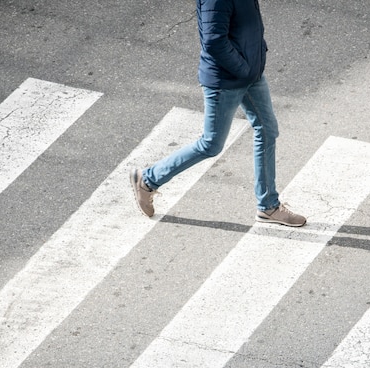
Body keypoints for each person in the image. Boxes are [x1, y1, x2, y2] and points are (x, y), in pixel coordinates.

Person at [130, 0, 306, 227]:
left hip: (250, 75)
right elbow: (214, 41)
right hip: (225, 81)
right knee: (211, 144)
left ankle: (268, 206)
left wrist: (255, 59)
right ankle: (148, 179)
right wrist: (243, 69)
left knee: (268, 129)